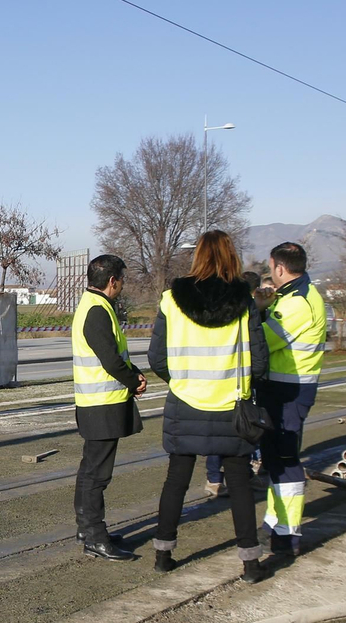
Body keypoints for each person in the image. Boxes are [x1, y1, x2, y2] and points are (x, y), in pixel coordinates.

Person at [148, 230, 270, 583]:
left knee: (176, 481)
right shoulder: (244, 302)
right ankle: (249, 563)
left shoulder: (172, 300)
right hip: (232, 407)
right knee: (241, 485)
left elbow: (157, 357)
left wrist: (182, 379)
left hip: (186, 402)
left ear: (196, 256)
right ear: (232, 256)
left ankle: (163, 554)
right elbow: (259, 360)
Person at [71, 253, 148, 560]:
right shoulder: (98, 310)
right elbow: (110, 359)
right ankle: (95, 536)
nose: (122, 287)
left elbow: (115, 353)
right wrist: (133, 380)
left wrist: (134, 373)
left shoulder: (93, 306)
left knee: (90, 469)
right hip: (101, 405)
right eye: (122, 281)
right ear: (113, 281)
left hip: (97, 403)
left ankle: (87, 528)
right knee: (97, 474)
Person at [257, 242, 328, 560]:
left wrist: (252, 314)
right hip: (286, 389)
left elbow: (263, 342)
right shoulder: (296, 296)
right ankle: (274, 522)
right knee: (275, 461)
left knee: (285, 462)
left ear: (279, 268)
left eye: (271, 267)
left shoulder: (297, 303)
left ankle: (286, 533)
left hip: (288, 392)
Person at [204, 271, 266, 498]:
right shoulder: (243, 306)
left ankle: (219, 477)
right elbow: (258, 347)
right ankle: (224, 477)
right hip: (236, 382)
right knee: (235, 431)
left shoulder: (222, 306)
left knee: (226, 433)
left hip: (223, 379)